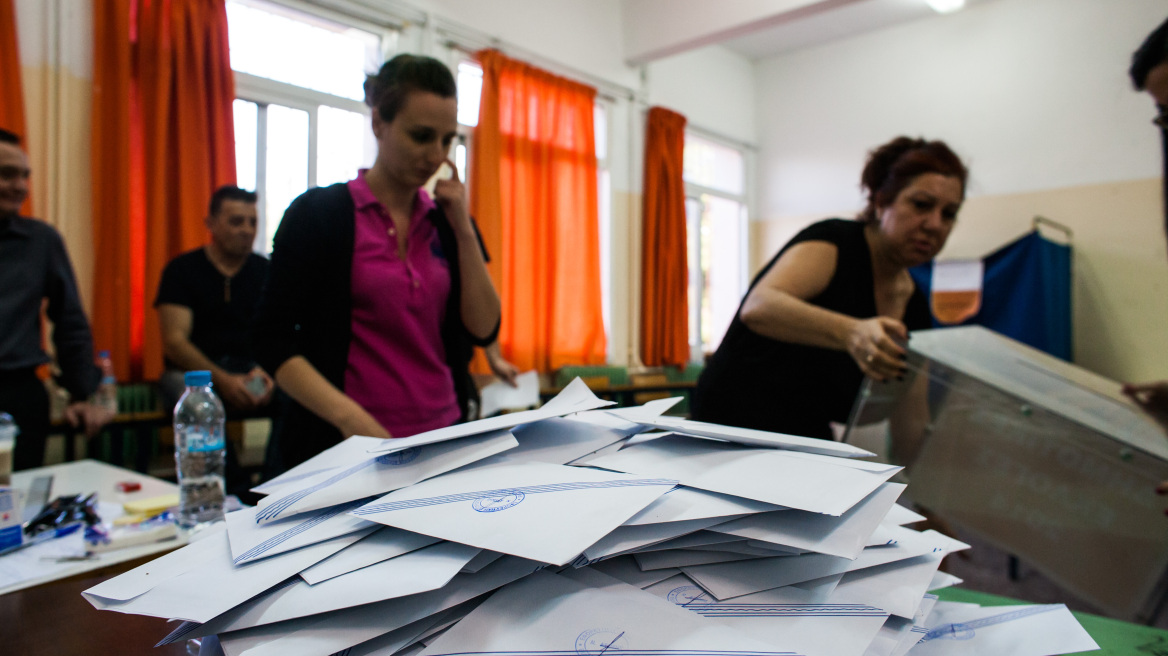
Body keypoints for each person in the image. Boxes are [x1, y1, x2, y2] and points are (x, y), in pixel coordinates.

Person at [253, 54, 501, 474]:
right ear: (379, 123)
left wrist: (462, 226)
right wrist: (352, 421)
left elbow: (484, 328)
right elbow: (271, 341)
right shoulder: (320, 214)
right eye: (421, 136)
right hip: (344, 441)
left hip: (440, 435)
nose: (435, 155)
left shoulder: (446, 221)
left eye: (447, 140)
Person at [692, 136, 968, 440]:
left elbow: (912, 416)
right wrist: (852, 332)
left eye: (949, 214)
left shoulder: (914, 306)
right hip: (724, 430)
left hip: (805, 440)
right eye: (921, 205)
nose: (934, 224)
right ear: (881, 201)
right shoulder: (835, 243)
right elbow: (759, 307)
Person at [0, 128, 112, 469]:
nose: (20, 186)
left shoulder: (41, 241)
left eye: (24, 175)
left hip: (17, 394)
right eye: (7, 175)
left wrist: (81, 393)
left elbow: (70, 320)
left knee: (16, 508)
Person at [154, 185, 273, 414]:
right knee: (199, 406)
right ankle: (220, 452)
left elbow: (276, 333)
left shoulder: (267, 272)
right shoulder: (181, 270)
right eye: (237, 222)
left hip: (251, 372)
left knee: (298, 398)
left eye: (252, 222)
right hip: (193, 376)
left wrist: (264, 371)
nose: (247, 230)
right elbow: (174, 343)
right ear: (210, 224)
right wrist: (222, 380)